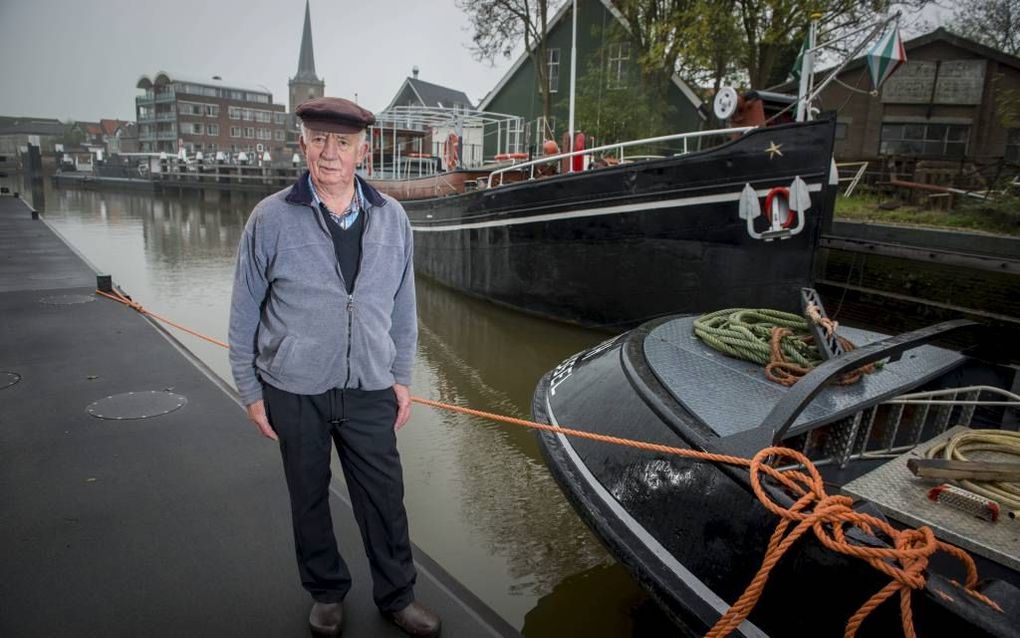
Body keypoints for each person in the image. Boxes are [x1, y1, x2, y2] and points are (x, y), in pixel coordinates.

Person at [228, 96, 440, 638]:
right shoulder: (270, 218)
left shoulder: (392, 219)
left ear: (362, 150)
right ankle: (326, 593)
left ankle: (398, 595)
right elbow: (245, 308)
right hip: (293, 387)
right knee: (308, 495)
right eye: (319, 138)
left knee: (385, 499)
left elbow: (403, 310)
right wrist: (251, 390)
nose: (329, 152)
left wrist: (402, 377)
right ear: (302, 142)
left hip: (370, 384)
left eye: (342, 142)